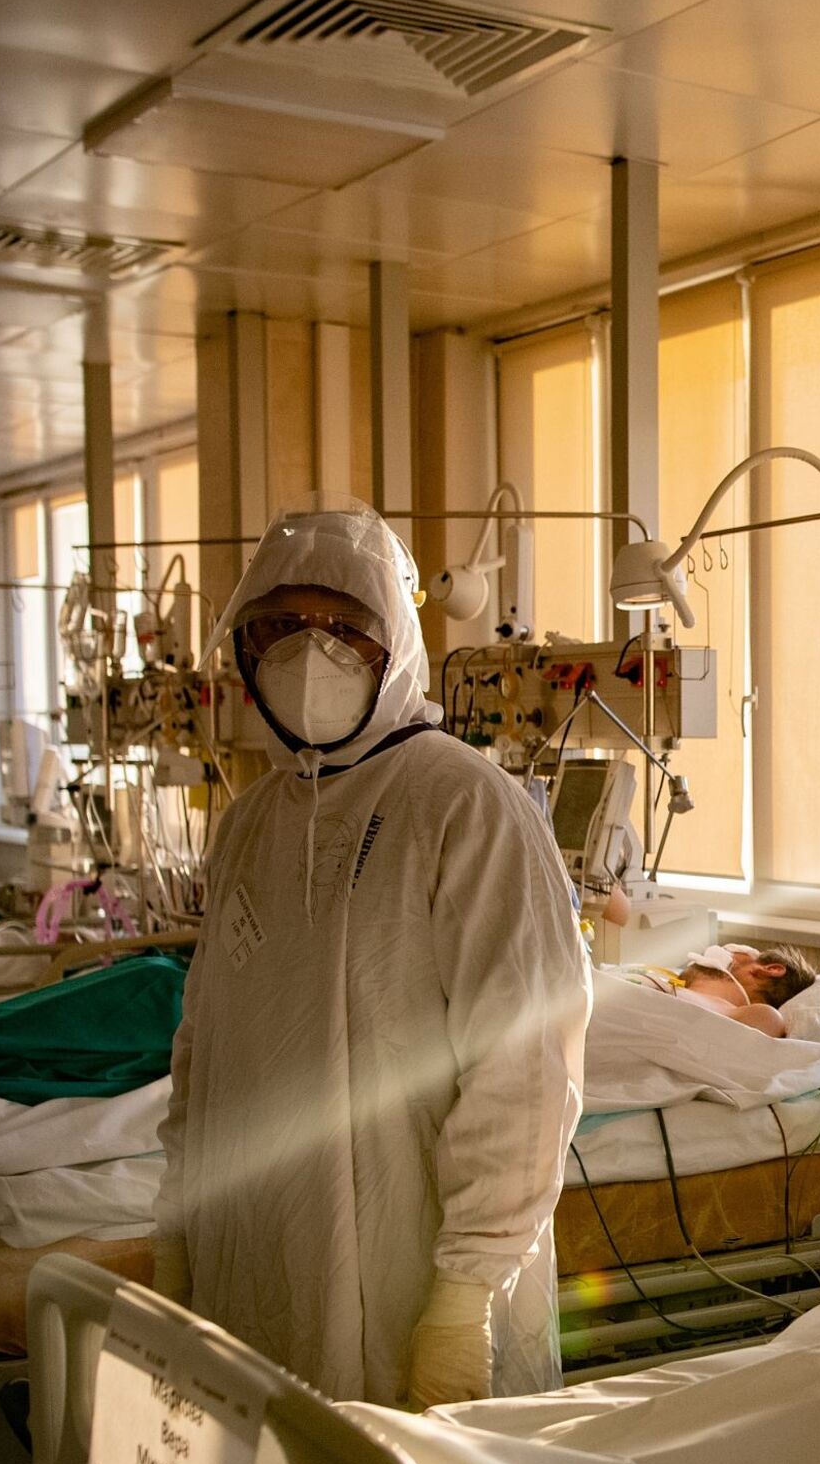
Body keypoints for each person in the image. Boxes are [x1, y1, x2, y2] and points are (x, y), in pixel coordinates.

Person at [153, 502, 591, 1408]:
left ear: (395, 643)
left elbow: (524, 1069)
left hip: (418, 1276)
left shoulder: (466, 806)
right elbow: (205, 1051)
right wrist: (180, 1233)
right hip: (256, 1250)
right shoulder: (251, 821)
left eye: (346, 627)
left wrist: (465, 1296)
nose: (311, 653)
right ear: (243, 647)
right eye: (280, 625)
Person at [673, 942, 816, 1036]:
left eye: (730, 950)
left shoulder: (765, 1018)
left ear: (771, 969)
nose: (723, 949)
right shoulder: (669, 985)